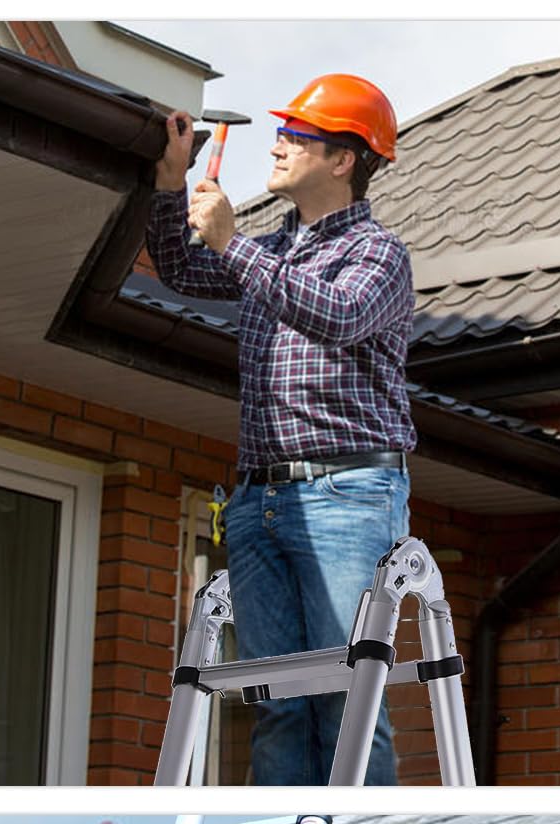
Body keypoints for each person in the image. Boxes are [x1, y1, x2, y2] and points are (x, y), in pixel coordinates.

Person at [146, 76, 413, 785]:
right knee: (277, 706)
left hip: (348, 492)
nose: (280, 142)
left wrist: (234, 243)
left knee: (346, 699)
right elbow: (178, 265)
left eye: (299, 135)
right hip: (260, 498)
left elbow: (337, 315)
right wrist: (172, 186)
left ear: (343, 159)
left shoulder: (378, 254)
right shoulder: (269, 249)